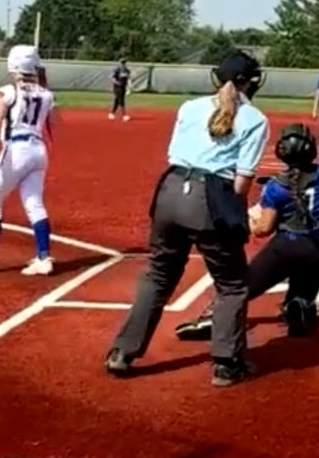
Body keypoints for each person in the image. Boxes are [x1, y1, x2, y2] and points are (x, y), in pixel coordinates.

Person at [106, 51, 270, 387]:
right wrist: (240, 215)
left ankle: (122, 352)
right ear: (250, 83)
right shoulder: (255, 119)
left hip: (169, 192)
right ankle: (226, 363)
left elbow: (177, 154)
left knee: (158, 274)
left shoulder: (189, 107)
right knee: (232, 283)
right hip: (211, 197)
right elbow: (240, 184)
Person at [174, 122, 319, 342]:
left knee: (241, 286)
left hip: (286, 247)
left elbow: (264, 228)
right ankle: (299, 306)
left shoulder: (275, 186)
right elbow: (315, 193)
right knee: (301, 297)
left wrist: (249, 220)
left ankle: (215, 317)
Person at [0, 44, 59, 276]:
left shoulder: (7, 91)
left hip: (16, 150)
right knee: (34, 204)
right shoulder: (47, 94)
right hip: (38, 151)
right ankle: (43, 257)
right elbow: (54, 122)